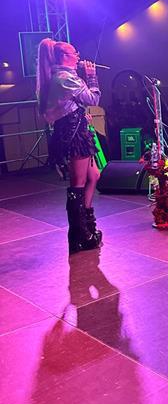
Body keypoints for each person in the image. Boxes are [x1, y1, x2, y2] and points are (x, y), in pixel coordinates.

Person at [36, 38, 102, 254]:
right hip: (73, 135)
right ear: (64, 57)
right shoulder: (64, 78)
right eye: (74, 53)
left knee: (93, 176)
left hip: (77, 130)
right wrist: (92, 76)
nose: (78, 56)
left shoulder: (66, 77)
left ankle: (87, 225)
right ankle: (79, 235)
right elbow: (93, 99)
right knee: (78, 184)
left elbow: (72, 105)